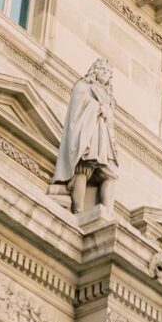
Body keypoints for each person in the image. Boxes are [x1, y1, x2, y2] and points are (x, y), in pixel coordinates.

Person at [52, 58, 119, 214]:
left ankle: (107, 213)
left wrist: (107, 111)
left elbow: (109, 121)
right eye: (103, 70)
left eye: (109, 72)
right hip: (87, 136)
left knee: (111, 174)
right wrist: (98, 107)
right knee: (83, 168)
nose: (106, 74)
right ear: (95, 71)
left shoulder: (109, 96)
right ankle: (78, 210)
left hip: (104, 141)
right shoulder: (83, 85)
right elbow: (78, 108)